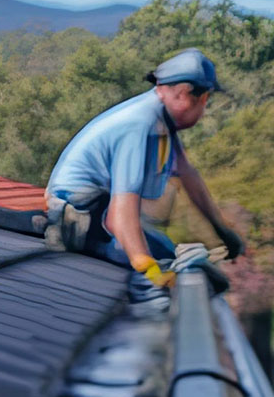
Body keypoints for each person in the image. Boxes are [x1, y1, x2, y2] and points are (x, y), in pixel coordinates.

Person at [44, 48, 244, 294]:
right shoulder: (141, 125)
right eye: (204, 101)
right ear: (183, 95)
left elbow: (189, 176)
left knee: (169, 251)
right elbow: (120, 213)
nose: (203, 111)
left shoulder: (161, 122)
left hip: (98, 217)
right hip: (81, 221)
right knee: (170, 263)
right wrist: (147, 267)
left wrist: (223, 231)